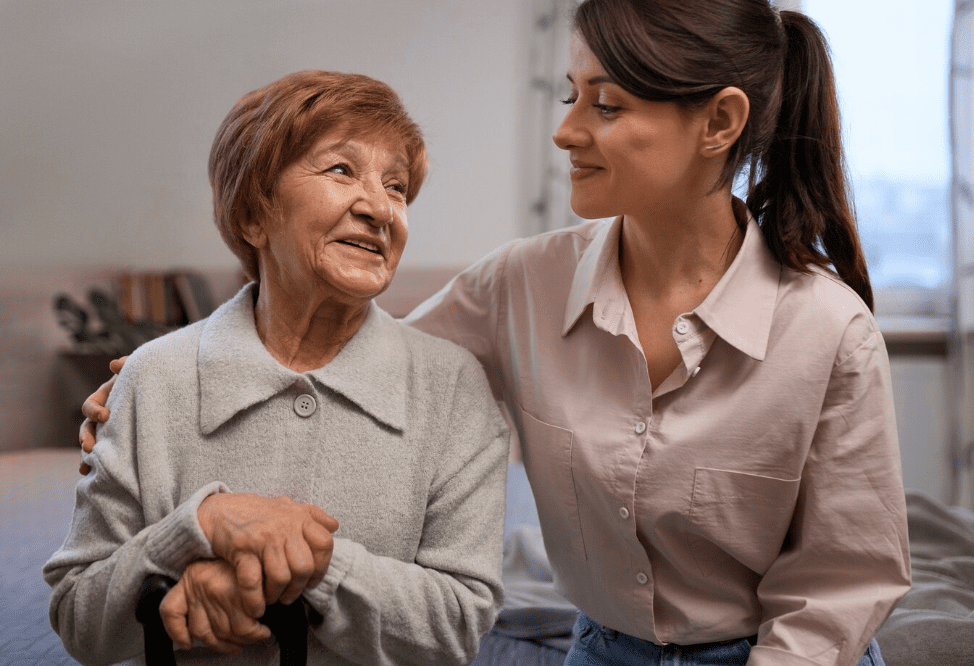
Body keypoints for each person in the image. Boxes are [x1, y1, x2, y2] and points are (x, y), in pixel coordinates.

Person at [78, 2, 912, 665]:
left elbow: (844, 581)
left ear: (718, 123)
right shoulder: (518, 284)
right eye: (570, 94)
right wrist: (154, 393)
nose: (566, 130)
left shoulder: (829, 330)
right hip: (602, 650)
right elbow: (353, 370)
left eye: (606, 104)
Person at [46, 70, 510, 665]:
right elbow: (79, 619)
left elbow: (458, 626)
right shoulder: (154, 376)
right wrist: (199, 525)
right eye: (341, 170)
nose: (380, 209)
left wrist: (309, 563)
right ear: (253, 217)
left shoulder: (451, 387)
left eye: (396, 187)